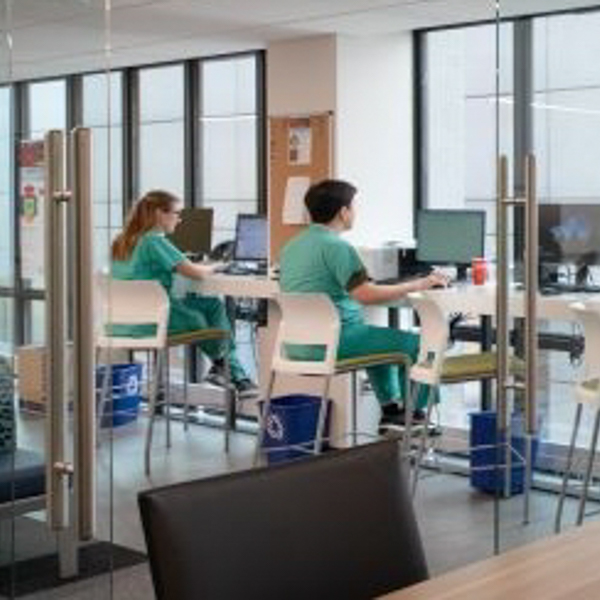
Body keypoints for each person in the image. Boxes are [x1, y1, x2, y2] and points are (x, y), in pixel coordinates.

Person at [279, 179, 449, 430]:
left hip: (298, 346)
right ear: (343, 212)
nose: (355, 212)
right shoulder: (337, 247)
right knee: (419, 345)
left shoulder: (291, 246)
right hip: (336, 341)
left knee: (377, 343)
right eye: (353, 207)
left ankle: (392, 409)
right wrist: (418, 284)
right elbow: (365, 294)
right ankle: (415, 414)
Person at [111, 189, 257, 395]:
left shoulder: (121, 241)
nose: (179, 220)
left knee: (211, 304)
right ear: (160, 214)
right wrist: (218, 266)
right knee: (201, 317)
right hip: (152, 323)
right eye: (176, 214)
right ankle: (233, 372)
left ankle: (223, 367)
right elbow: (196, 273)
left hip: (120, 324)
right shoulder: (154, 241)